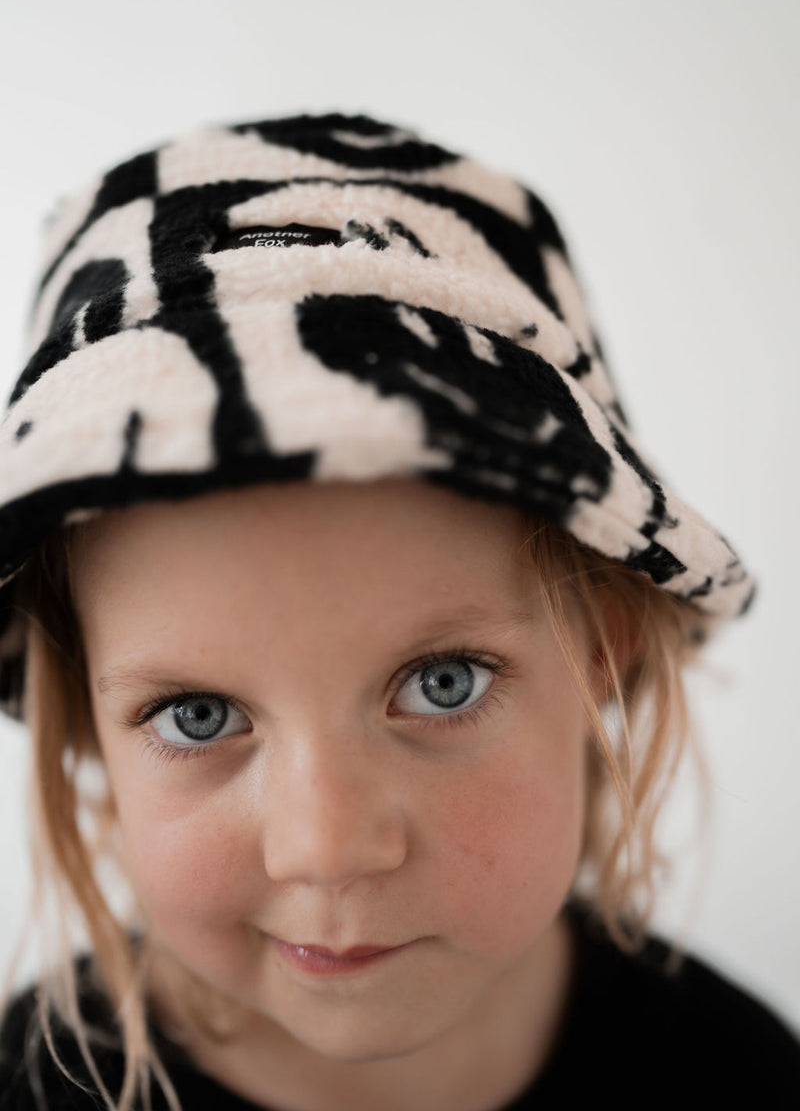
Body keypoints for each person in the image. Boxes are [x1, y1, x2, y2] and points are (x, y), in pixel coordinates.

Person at [0, 110, 795, 1111]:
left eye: (439, 684)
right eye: (196, 715)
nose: (324, 847)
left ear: (603, 651)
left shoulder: (732, 1076)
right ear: (82, 712)